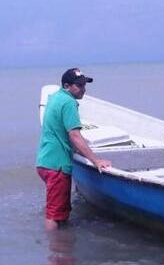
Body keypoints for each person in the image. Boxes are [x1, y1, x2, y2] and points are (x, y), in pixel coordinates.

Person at [36, 68, 112, 229]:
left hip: (45, 162)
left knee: (60, 210)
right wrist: (95, 160)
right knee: (54, 214)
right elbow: (74, 135)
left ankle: (61, 245)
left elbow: (60, 130)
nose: (83, 89)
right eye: (79, 85)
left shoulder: (55, 97)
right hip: (57, 166)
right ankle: (56, 250)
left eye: (84, 85)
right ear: (66, 86)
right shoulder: (69, 102)